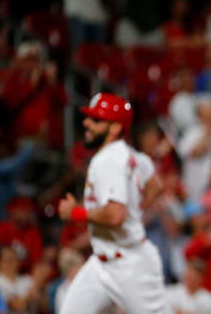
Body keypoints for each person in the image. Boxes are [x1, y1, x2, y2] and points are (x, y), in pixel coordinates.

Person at [58, 93, 168, 314]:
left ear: (116, 128)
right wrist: (135, 209)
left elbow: (116, 215)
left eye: (96, 120)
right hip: (101, 262)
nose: (86, 123)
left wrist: (75, 213)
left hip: (131, 265)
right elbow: (156, 184)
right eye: (89, 118)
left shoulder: (108, 159)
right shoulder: (131, 155)